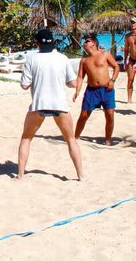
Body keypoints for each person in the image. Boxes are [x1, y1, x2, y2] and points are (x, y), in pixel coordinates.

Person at [17, 29, 83, 181]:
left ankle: (20, 176)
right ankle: (81, 176)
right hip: (59, 104)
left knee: (26, 138)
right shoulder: (63, 58)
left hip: (39, 104)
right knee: (71, 139)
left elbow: (24, 85)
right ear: (53, 42)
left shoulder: (31, 59)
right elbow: (73, 83)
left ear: (37, 43)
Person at [73, 34, 120, 145]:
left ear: (93, 43)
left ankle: (108, 140)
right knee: (83, 116)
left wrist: (113, 80)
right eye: (84, 41)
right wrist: (77, 91)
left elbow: (116, 67)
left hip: (106, 89)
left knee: (109, 115)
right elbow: (80, 77)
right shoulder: (84, 60)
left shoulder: (105, 55)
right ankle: (75, 137)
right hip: (91, 91)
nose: (84, 43)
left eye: (87, 41)